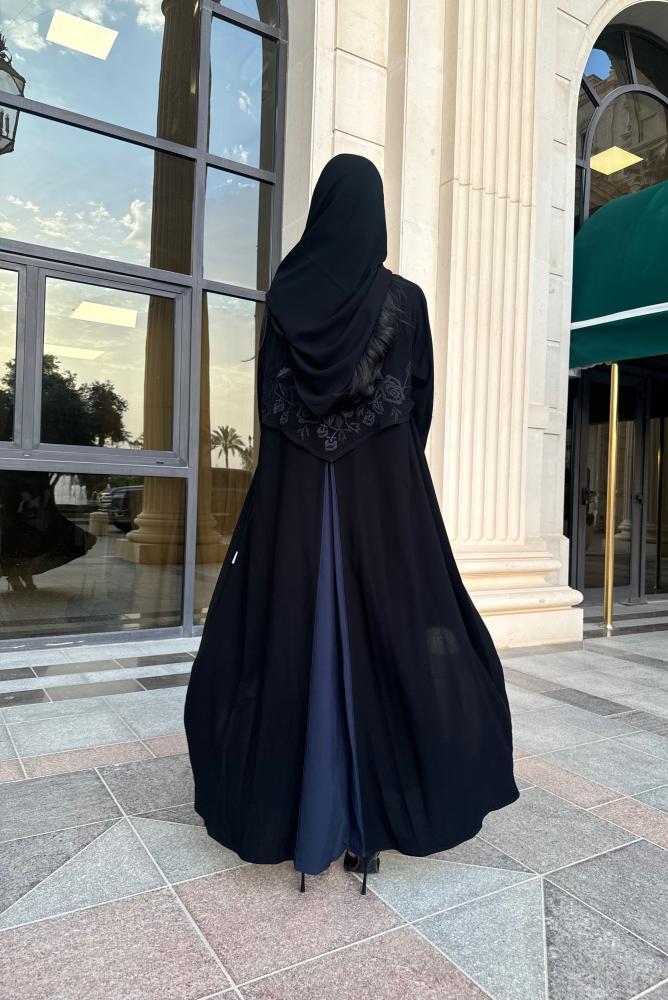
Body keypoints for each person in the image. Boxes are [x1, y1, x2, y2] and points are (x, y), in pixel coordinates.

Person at [183, 153, 520, 896]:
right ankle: (371, 827)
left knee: (286, 635)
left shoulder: (284, 299)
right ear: (375, 216)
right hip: (384, 499)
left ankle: (297, 819)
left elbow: (269, 411)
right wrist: (387, 468)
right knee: (391, 635)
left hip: (295, 501)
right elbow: (419, 405)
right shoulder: (407, 301)